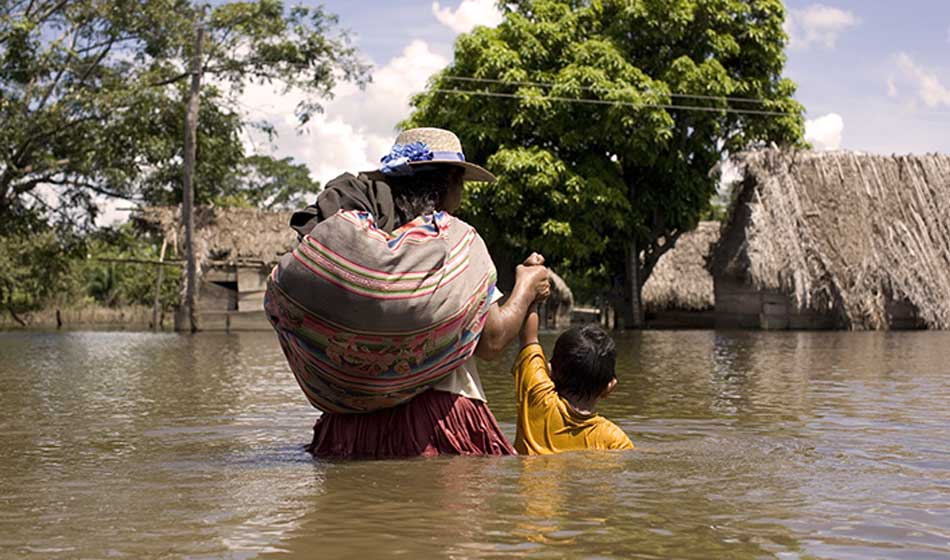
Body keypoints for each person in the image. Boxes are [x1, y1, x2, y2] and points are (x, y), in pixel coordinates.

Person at [266, 127, 549, 458]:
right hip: (435, 419)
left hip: (349, 427)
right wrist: (526, 286)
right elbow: (492, 341)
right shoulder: (455, 241)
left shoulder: (355, 246)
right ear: (451, 183)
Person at [513, 298, 635, 455]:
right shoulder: (616, 441)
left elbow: (529, 337)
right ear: (609, 387)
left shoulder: (536, 397)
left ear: (549, 371)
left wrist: (533, 297)